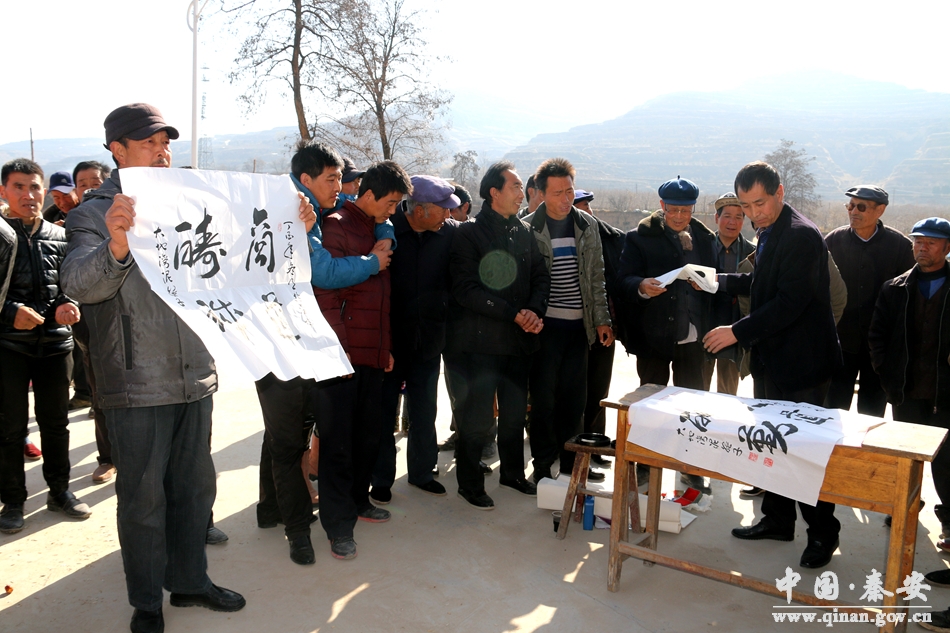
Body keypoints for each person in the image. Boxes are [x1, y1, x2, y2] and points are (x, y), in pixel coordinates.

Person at [61, 103, 247, 633]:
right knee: (142, 501)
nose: (161, 150)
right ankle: (146, 601)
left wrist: (288, 228)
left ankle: (190, 582)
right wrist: (117, 246)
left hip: (195, 374)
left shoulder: (192, 202)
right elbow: (79, 283)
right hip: (136, 380)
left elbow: (237, 264)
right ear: (116, 150)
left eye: (165, 140)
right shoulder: (93, 214)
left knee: (194, 491)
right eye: (147, 142)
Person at [704, 161, 842, 569]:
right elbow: (764, 283)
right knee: (771, 443)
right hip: (772, 360)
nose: (752, 214)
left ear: (780, 193)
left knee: (805, 452)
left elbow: (788, 303)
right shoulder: (769, 232)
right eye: (745, 206)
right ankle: (778, 520)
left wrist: (737, 331)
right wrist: (717, 280)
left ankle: (822, 534)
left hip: (803, 365)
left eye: (759, 203)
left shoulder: (800, 235)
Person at [312, 161, 410, 560]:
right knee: (338, 444)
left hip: (371, 353)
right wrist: (346, 351)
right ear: (368, 195)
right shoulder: (336, 226)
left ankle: (358, 501)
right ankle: (338, 526)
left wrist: (383, 348)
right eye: (389, 204)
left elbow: (378, 301)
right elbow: (329, 297)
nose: (392, 213)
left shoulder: (376, 228)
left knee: (368, 434)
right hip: (342, 356)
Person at [447, 161, 550, 509]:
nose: (523, 193)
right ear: (494, 192)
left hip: (520, 343)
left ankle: (512, 474)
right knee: (476, 418)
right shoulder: (469, 233)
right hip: (481, 344)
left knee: (514, 413)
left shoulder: (523, 232)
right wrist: (513, 314)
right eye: (516, 187)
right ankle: (470, 483)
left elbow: (540, 276)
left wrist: (534, 311)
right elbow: (465, 289)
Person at [0, 158, 86, 536]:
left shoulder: (59, 234)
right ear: (3, 192)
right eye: (18, 187)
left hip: (55, 345)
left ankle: (59, 490)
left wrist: (71, 304)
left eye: (34, 187)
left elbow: (70, 284)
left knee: (56, 423)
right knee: (10, 427)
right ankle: (13, 501)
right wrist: (9, 313)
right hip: (8, 346)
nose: (28, 195)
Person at [370, 175, 459, 504]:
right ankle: (380, 478)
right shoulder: (385, 230)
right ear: (420, 210)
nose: (449, 215)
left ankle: (423, 472)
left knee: (425, 410)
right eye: (443, 209)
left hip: (429, 339)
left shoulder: (449, 235)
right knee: (383, 412)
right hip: (390, 341)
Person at [524, 159, 611, 484]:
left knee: (575, 402)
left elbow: (596, 277)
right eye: (558, 192)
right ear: (541, 193)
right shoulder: (528, 227)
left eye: (569, 191)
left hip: (579, 329)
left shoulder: (587, 226)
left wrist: (602, 319)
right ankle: (543, 464)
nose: (565, 198)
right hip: (545, 330)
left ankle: (573, 465)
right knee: (544, 401)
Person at [868, 217, 950, 551]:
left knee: (947, 462)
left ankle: (949, 522)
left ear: (947, 247)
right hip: (906, 391)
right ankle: (904, 508)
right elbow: (877, 336)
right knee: (906, 458)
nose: (922, 247)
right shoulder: (895, 288)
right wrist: (887, 376)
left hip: (945, 394)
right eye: (918, 241)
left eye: (931, 242)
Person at [617, 176, 717, 391]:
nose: (679, 217)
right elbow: (623, 280)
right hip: (653, 338)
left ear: (693, 208)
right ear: (662, 206)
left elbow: (717, 279)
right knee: (651, 404)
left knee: (691, 408)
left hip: (693, 338)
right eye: (673, 210)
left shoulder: (705, 239)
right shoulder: (639, 238)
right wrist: (641, 286)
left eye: (685, 211)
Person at [824, 186, 914, 416]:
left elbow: (907, 298)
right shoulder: (833, 241)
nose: (853, 211)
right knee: (832, 409)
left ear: (880, 210)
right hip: (841, 341)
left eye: (861, 207)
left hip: (880, 346)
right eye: (850, 206)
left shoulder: (901, 247)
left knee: (872, 413)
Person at [579, 189, 627, 468]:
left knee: (598, 390)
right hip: (571, 328)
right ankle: (575, 449)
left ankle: (596, 444)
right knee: (573, 391)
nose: (585, 212)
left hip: (601, 328)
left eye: (587, 206)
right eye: (579, 207)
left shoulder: (613, 239)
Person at [703, 192, 755, 395]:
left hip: (734, 331)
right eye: (727, 216)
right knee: (698, 393)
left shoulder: (752, 253)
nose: (732, 222)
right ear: (716, 218)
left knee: (727, 394)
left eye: (739, 216)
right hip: (704, 328)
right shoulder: (702, 249)